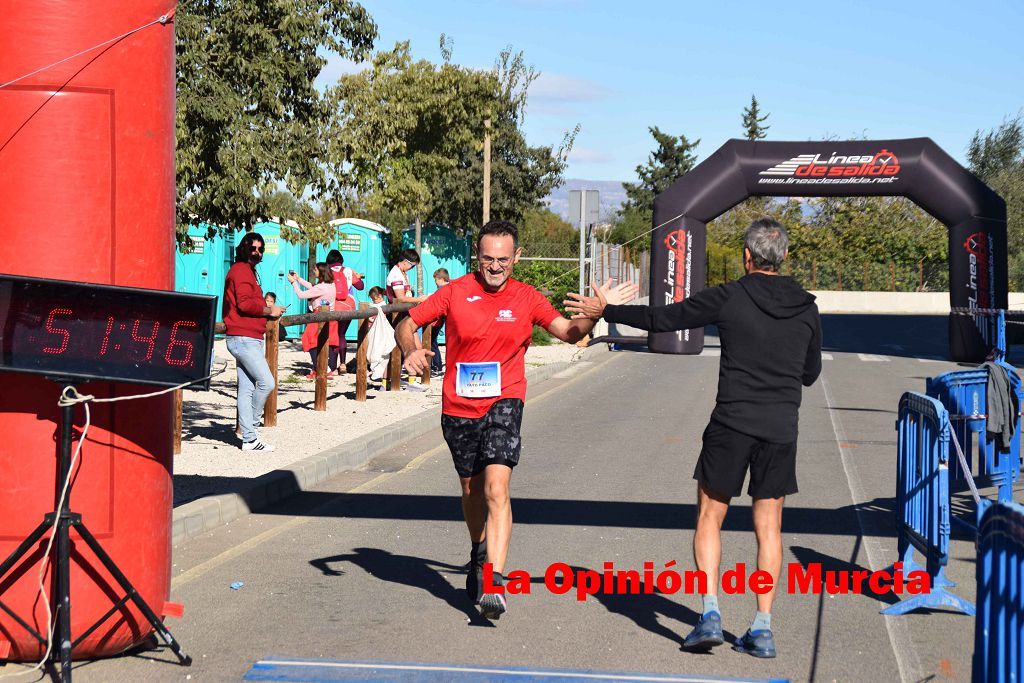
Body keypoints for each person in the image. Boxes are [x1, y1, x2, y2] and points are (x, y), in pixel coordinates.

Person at [565, 218, 822, 659]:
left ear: (746, 256)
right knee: (770, 528)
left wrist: (605, 311)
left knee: (709, 518)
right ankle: (762, 628)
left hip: (732, 425)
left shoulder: (732, 296)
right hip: (780, 429)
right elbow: (810, 374)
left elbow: (665, 318)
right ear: (784, 258)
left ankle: (710, 615)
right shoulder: (807, 307)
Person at [396, 220, 637, 620]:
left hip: (505, 400)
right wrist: (411, 349)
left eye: (503, 260)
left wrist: (598, 313)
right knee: (472, 490)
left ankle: (494, 579)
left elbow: (568, 331)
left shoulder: (527, 298)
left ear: (517, 257)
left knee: (496, 487)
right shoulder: (454, 292)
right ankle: (478, 550)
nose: (495, 267)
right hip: (458, 407)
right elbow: (408, 323)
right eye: (488, 259)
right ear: (478, 255)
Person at [223, 231, 286, 452]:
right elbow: (245, 304)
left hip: (249, 337)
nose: (257, 252)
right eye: (253, 248)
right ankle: (251, 428)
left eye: (260, 249)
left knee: (247, 389)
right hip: (243, 338)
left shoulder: (248, 271)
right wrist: (270, 310)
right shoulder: (240, 270)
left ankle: (248, 438)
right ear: (244, 249)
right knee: (267, 382)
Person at [289, 264, 340, 379]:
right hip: (331, 317)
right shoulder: (331, 285)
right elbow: (313, 287)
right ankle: (329, 368)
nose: (314, 271)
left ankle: (319, 367)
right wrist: (299, 279)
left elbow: (301, 295)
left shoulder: (321, 287)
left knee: (310, 340)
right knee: (330, 341)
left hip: (318, 316)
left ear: (321, 272)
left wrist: (293, 283)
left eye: (315, 269)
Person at [325, 249, 364, 372]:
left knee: (333, 334)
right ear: (341, 260)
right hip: (349, 306)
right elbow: (360, 286)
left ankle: (332, 366)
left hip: (333, 306)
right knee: (341, 334)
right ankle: (342, 364)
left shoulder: (327, 271)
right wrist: (356, 276)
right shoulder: (348, 270)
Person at [429, 268, 450, 376]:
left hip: (437, 321)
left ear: (440, 279)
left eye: (435, 280)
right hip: (442, 320)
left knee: (432, 342)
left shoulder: (442, 289)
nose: (435, 283)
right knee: (434, 342)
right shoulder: (451, 287)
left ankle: (436, 366)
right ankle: (438, 365)